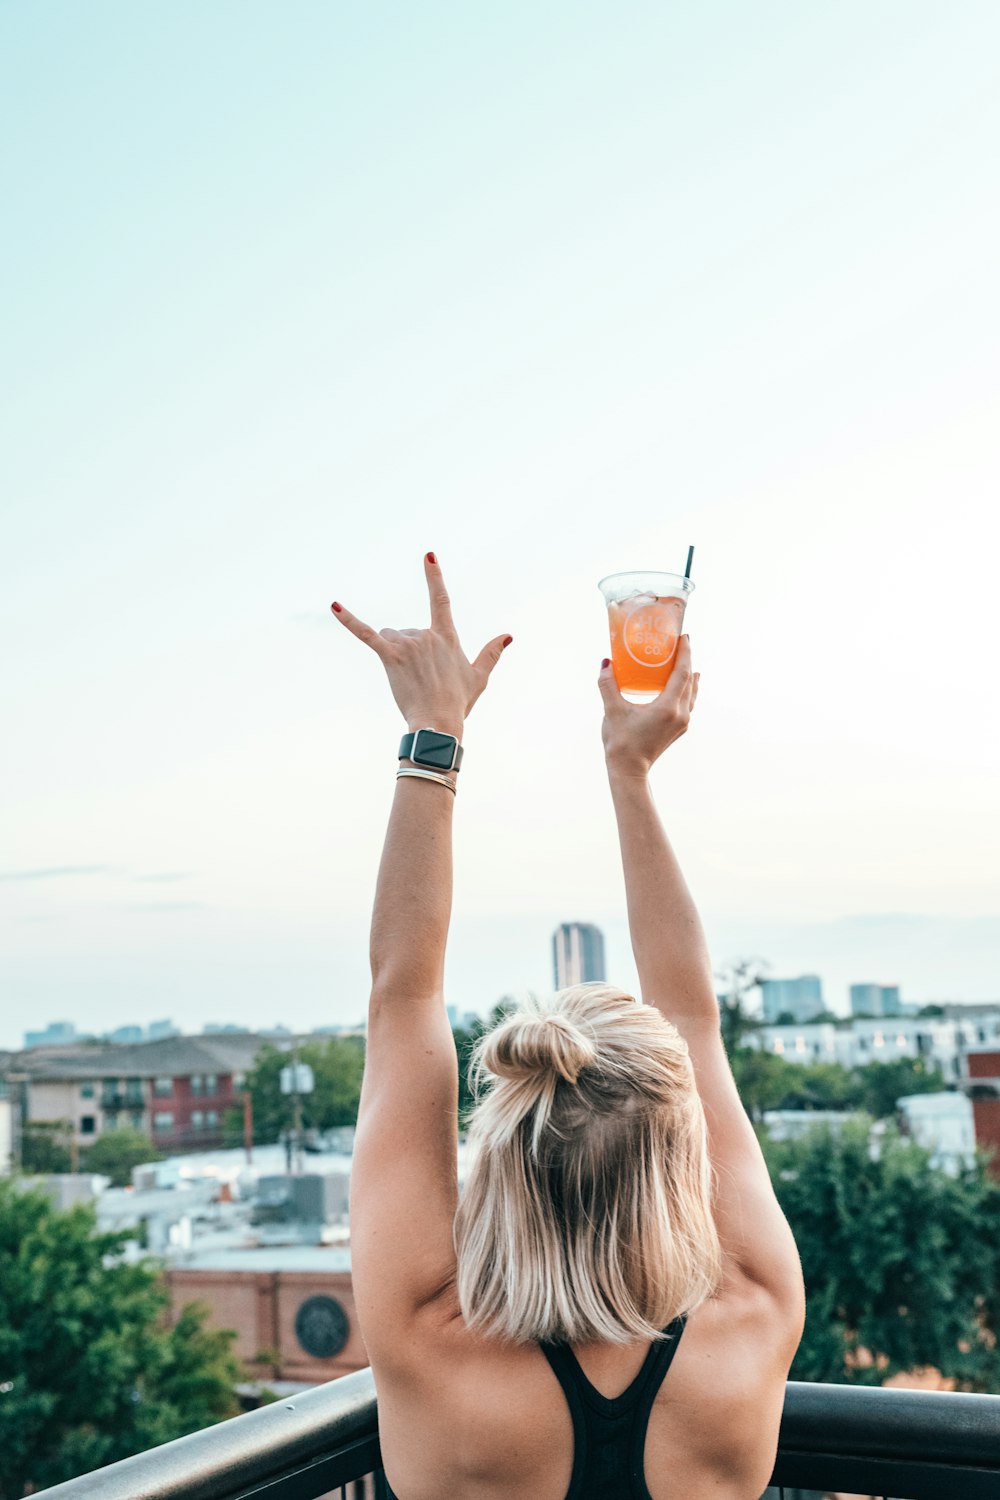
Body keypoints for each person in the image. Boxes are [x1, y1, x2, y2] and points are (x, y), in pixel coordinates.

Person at [332, 554, 805, 1500]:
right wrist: (629, 771)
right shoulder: (754, 1318)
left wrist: (437, 730)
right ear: (686, 1165)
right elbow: (696, 1019)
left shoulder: (431, 1348)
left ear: (503, 1160)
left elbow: (402, 997)